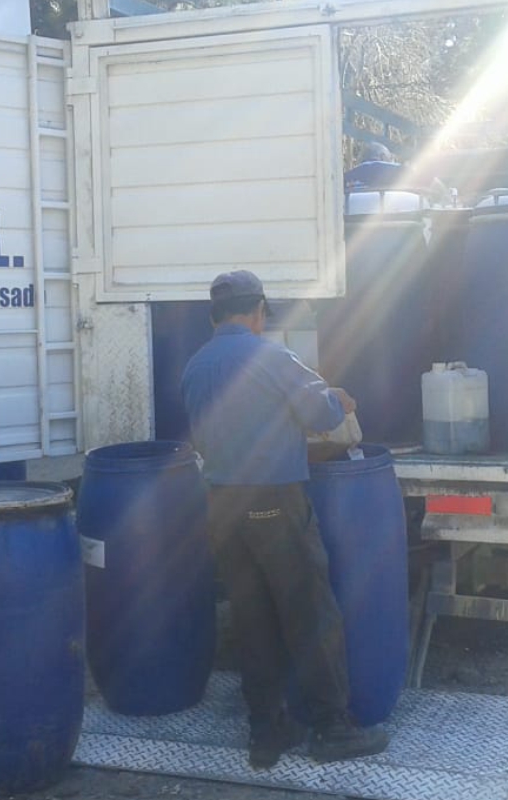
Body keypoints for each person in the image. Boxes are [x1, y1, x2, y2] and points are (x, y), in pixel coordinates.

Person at [180, 270, 389, 770]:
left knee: (252, 616)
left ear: (213, 316)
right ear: (258, 312)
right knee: (309, 611)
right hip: (273, 499)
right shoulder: (270, 357)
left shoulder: (195, 366)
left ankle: (266, 733)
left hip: (221, 504)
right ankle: (332, 728)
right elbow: (323, 417)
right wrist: (338, 398)